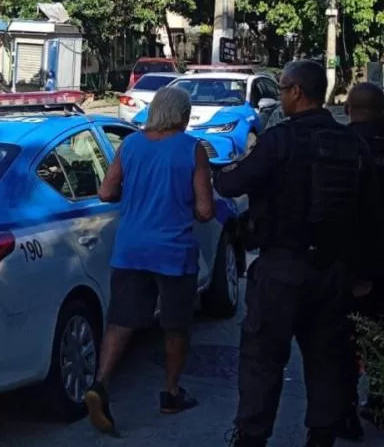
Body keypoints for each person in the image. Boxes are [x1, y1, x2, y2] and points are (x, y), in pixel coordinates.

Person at [214, 61, 377, 447]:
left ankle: (252, 436)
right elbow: (371, 216)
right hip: (333, 271)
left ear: (297, 92)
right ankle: (321, 435)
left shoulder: (280, 140)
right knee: (326, 359)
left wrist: (215, 173)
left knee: (263, 358)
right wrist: (362, 272)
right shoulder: (353, 144)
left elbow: (233, 183)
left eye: (284, 88)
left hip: (281, 267)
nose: (282, 95)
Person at [85, 86, 214, 436]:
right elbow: (204, 210)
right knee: (175, 326)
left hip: (130, 248)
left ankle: (101, 384)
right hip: (173, 252)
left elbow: (106, 192)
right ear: (183, 115)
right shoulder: (192, 149)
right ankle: (171, 393)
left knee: (120, 321)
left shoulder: (130, 145)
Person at [340, 82, 384, 438]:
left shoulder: (338, 146)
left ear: (349, 108)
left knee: (344, 340)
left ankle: (346, 411)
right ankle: (379, 400)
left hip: (348, 261)